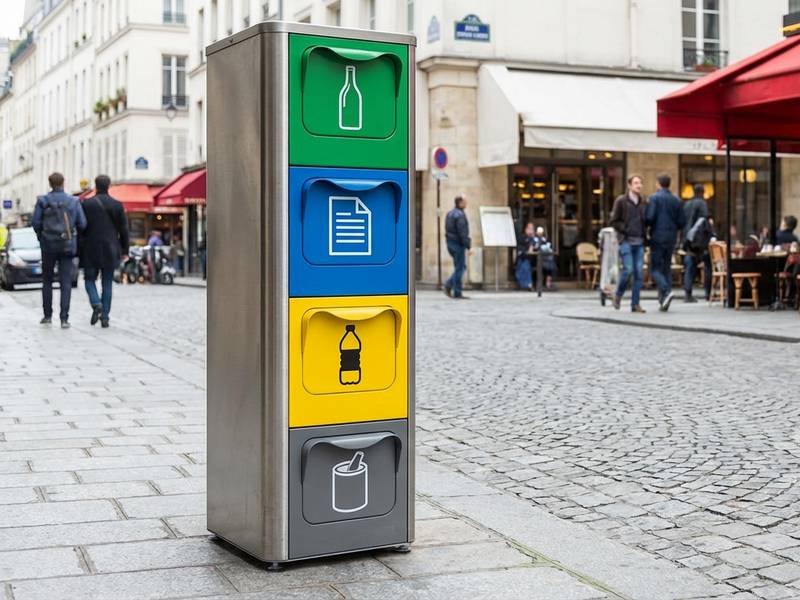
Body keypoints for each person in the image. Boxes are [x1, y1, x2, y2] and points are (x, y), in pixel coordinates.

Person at [31, 172, 86, 328]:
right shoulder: (73, 201)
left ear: (50, 184)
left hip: (48, 244)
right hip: (67, 244)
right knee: (66, 281)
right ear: (63, 183)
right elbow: (82, 223)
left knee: (47, 280)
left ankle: (47, 315)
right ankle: (64, 318)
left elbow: (35, 223)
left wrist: (42, 237)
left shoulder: (43, 201)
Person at [80, 175, 129, 328]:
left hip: (90, 248)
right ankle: (105, 317)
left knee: (89, 280)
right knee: (107, 283)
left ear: (95, 185)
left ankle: (96, 303)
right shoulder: (117, 205)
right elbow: (124, 230)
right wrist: (125, 250)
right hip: (111, 247)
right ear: (109, 185)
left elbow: (81, 227)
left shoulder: (86, 204)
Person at [645, 173, 685, 312]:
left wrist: (648, 228)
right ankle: (663, 301)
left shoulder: (655, 198)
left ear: (658, 184)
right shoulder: (676, 200)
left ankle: (666, 291)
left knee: (655, 268)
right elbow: (682, 222)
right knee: (666, 267)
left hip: (657, 236)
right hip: (671, 237)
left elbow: (650, 217)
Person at [610, 174, 647, 313]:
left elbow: (646, 220)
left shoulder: (643, 201)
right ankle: (618, 295)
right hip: (625, 240)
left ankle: (635, 304)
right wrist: (625, 229)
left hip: (639, 241)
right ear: (629, 185)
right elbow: (614, 221)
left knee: (639, 274)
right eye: (636, 183)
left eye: (640, 183)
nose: (639, 185)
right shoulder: (621, 201)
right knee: (628, 269)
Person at [682, 184, 712, 302]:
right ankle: (708, 292)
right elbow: (705, 220)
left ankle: (687, 293)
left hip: (688, 239)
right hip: (699, 241)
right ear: (703, 192)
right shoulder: (702, 203)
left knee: (689, 266)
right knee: (708, 265)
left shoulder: (687, 204)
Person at [444, 195, 471, 299]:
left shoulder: (450, 214)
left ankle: (456, 291)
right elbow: (462, 232)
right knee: (460, 268)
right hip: (458, 244)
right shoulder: (459, 215)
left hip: (450, 243)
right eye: (465, 202)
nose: (466, 203)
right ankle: (450, 286)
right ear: (460, 203)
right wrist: (468, 246)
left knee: (459, 267)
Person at [515, 222, 535, 291]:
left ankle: (528, 284)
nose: (530, 230)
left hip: (533, 259)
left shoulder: (534, 238)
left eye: (532, 229)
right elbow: (522, 249)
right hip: (523, 258)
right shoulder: (521, 237)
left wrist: (532, 238)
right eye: (529, 228)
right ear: (526, 229)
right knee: (525, 265)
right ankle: (527, 284)